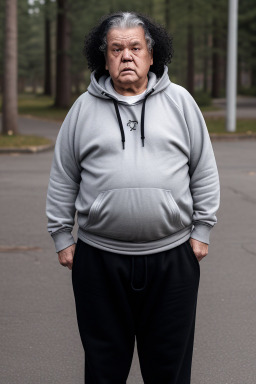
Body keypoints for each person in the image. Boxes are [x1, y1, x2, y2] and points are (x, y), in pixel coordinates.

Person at [46, 11, 220, 384]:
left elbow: (203, 167)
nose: (127, 56)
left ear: (151, 55)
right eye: (116, 49)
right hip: (99, 262)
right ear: (104, 58)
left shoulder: (181, 102)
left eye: (135, 47)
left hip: (172, 259)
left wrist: (202, 229)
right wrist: (62, 236)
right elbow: (64, 175)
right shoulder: (82, 110)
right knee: (104, 369)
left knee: (169, 371)